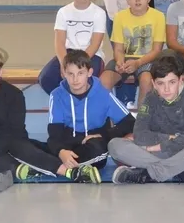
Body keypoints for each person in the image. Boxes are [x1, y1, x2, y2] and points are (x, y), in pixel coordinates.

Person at [0, 48, 101, 191]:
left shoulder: (14, 95)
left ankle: (70, 171)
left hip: (10, 143)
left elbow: (13, 132)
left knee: (24, 148)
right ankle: (19, 169)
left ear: (0, 71)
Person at [108, 56, 184, 184]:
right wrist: (170, 138)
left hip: (183, 151)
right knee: (115, 145)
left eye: (172, 82)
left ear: (180, 80)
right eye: (161, 83)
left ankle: (146, 174)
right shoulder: (150, 99)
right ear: (154, 84)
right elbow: (140, 135)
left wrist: (154, 147)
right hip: (163, 154)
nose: (166, 89)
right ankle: (180, 171)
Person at [46, 50, 135, 182]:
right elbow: (54, 134)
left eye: (80, 73)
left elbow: (129, 122)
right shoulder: (56, 95)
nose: (75, 79)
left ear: (90, 72)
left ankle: (53, 166)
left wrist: (104, 135)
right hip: (67, 147)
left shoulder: (102, 94)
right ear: (63, 73)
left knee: (99, 147)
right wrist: (61, 151)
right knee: (28, 145)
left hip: (93, 150)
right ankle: (68, 167)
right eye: (70, 74)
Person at [39, 0, 108, 94]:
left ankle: (82, 107)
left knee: (86, 80)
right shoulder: (63, 12)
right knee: (46, 78)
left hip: (91, 55)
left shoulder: (99, 13)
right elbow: (59, 42)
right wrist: (64, 63)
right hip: (68, 54)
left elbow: (95, 44)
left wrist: (77, 65)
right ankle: (66, 102)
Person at [99, 0, 166, 106]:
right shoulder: (120, 17)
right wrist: (119, 62)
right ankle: (112, 121)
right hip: (125, 59)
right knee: (103, 82)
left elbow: (157, 50)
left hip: (147, 60)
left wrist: (138, 63)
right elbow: (118, 49)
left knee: (146, 81)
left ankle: (141, 121)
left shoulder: (159, 16)